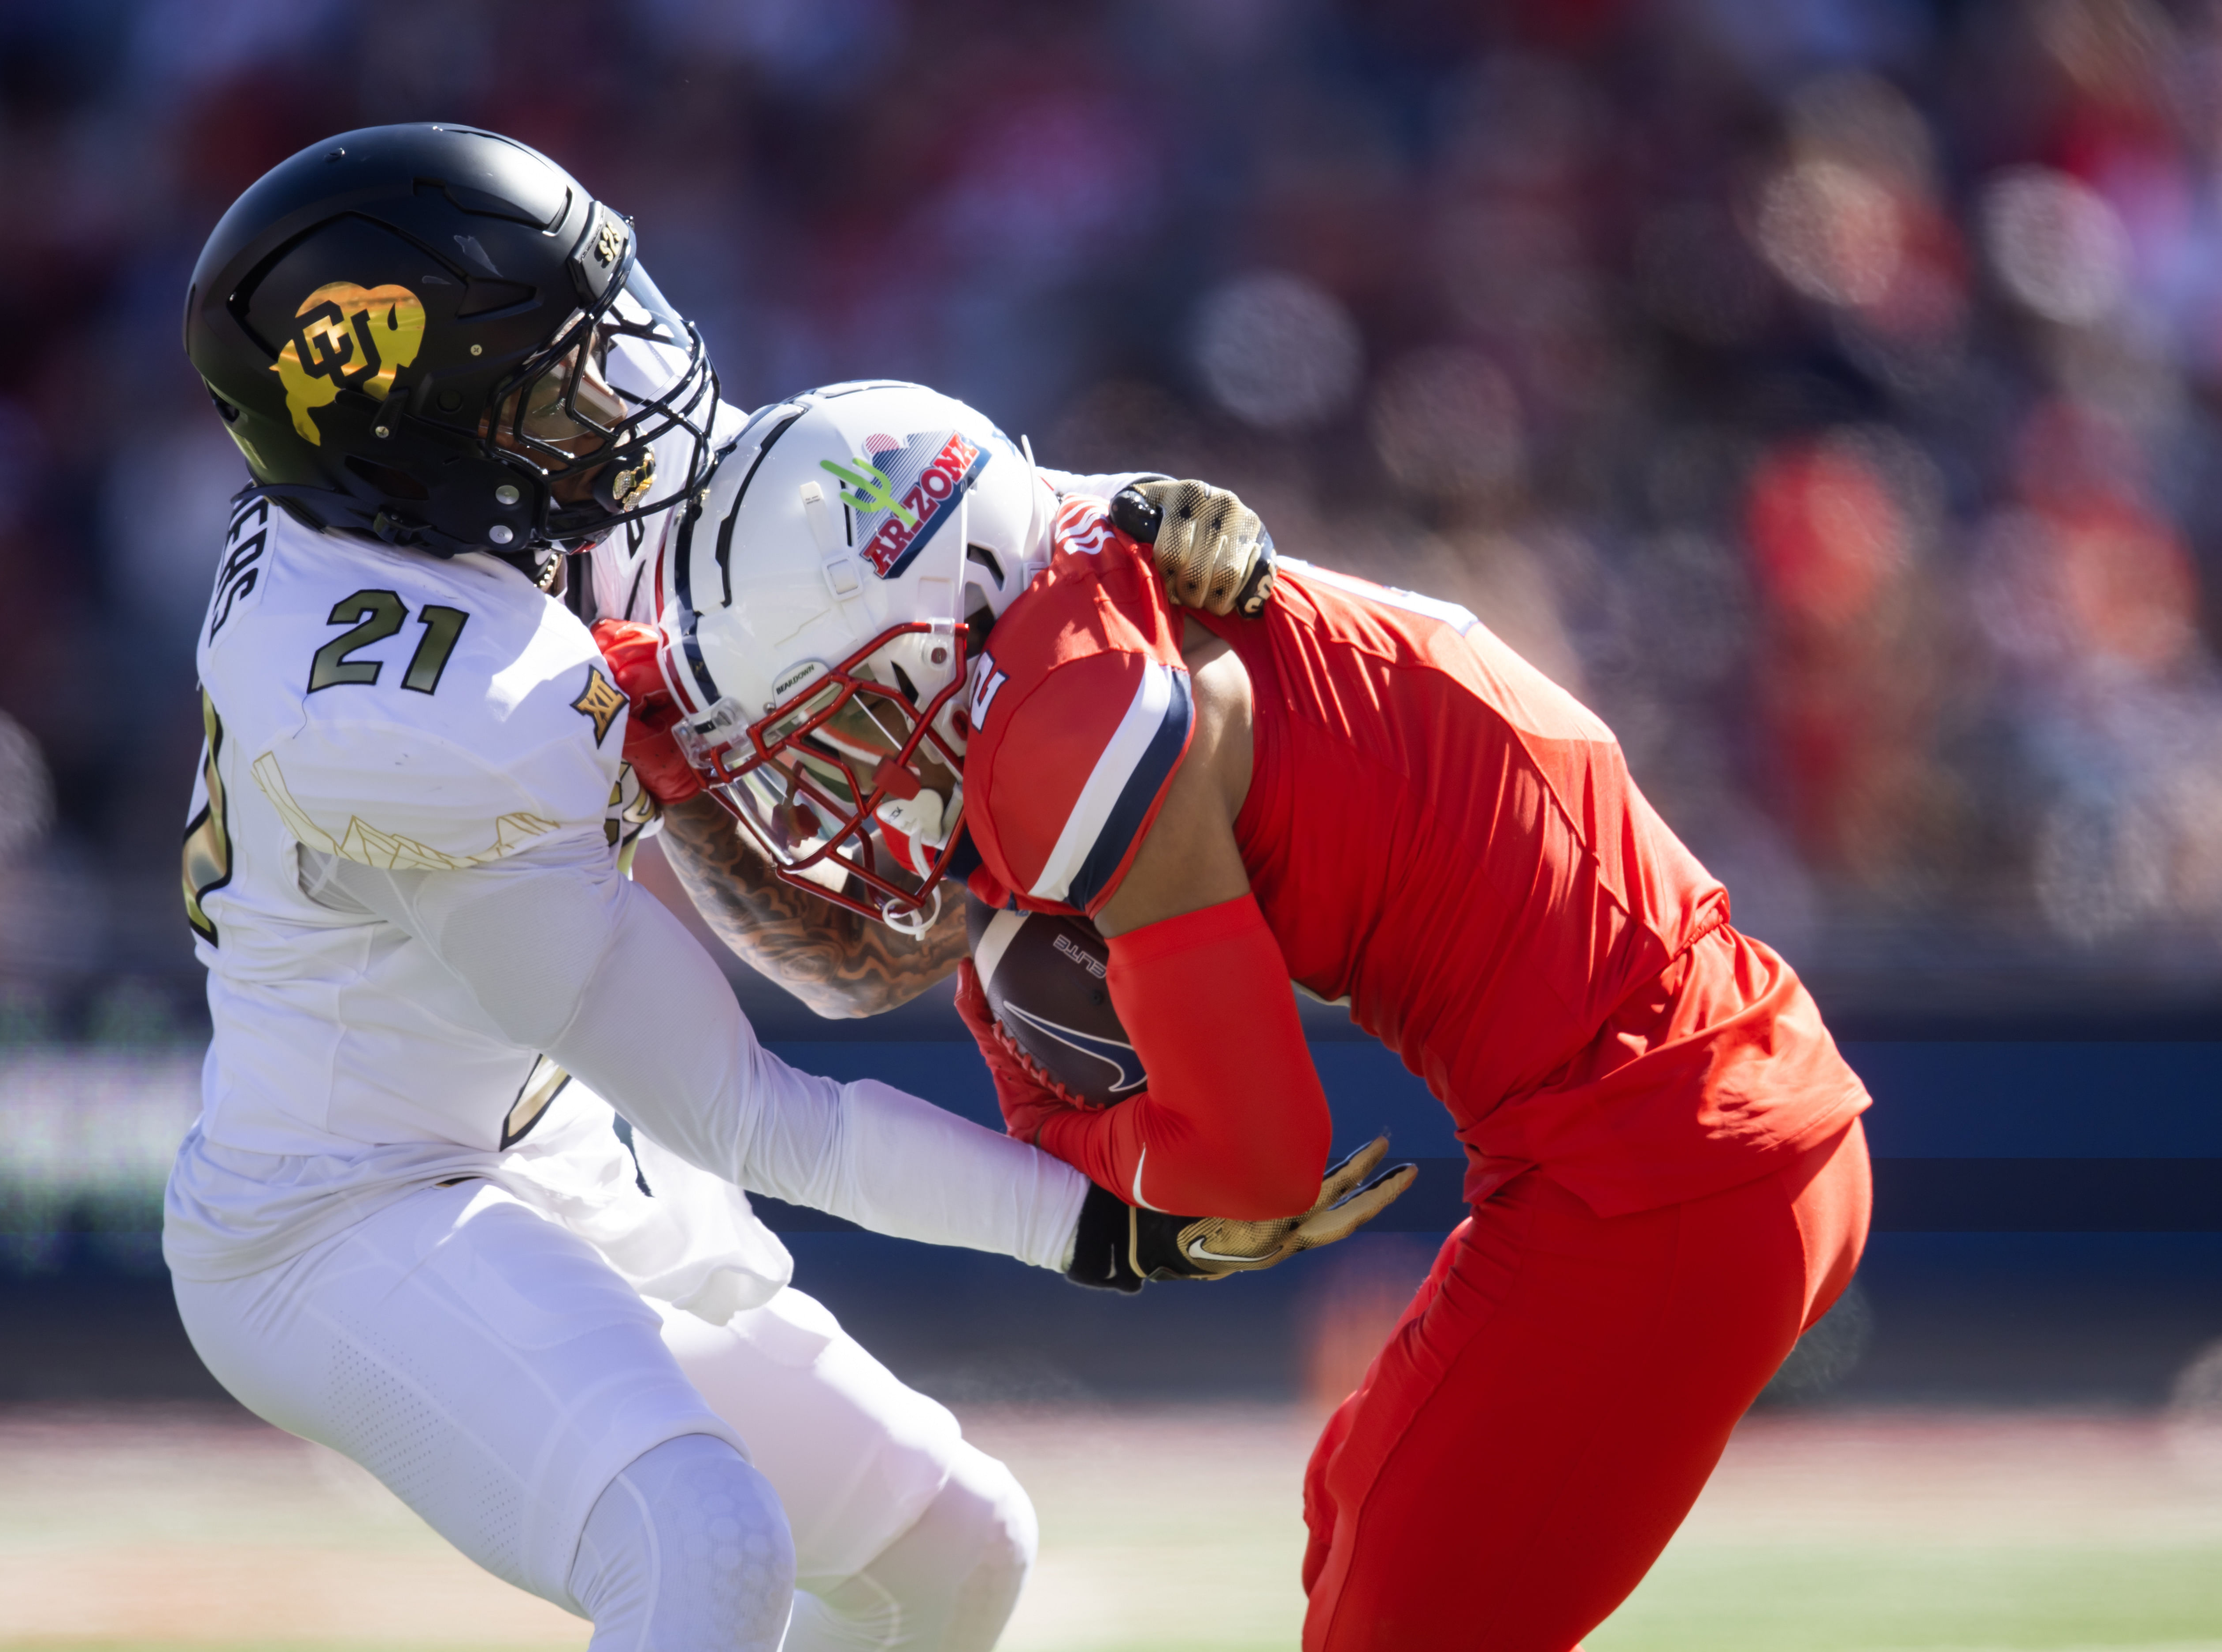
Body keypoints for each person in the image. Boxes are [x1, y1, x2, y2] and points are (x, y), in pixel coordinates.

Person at [170, 126, 1400, 1652]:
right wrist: (1098, 1229)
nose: (627, 389)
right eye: (559, 377)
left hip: (540, 1140)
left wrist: (1095, 515)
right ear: (426, 434)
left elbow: (842, 512)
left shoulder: (449, 504)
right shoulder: (420, 710)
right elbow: (749, 1119)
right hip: (341, 1212)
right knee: (698, 1546)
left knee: (954, 1552)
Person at [622, 379, 1875, 1652]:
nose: (828, 771)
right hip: (1701, 1119)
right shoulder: (1058, 596)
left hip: (1663, 1162)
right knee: (1351, 1515)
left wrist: (1058, 1147)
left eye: (847, 713)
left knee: (1394, 1618)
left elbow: (1252, 1172)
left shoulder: (1072, 716)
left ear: (925, 636)